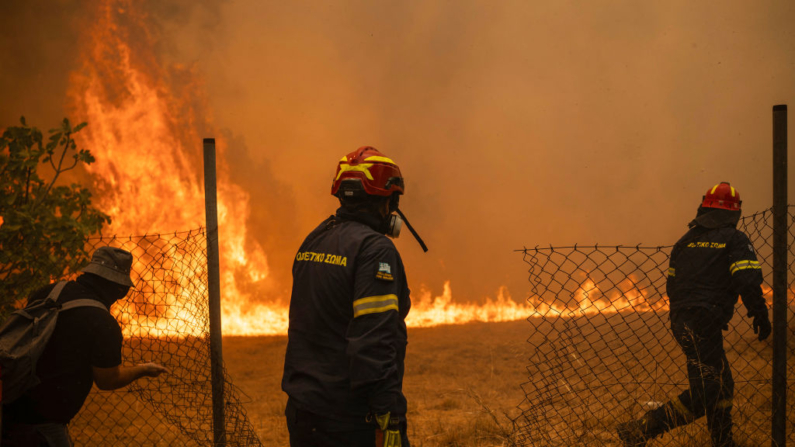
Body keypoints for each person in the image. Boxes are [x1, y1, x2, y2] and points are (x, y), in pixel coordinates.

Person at [282, 146, 424, 447]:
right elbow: (373, 344)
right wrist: (389, 419)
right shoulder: (375, 250)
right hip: (349, 421)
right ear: (386, 200)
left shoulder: (315, 239)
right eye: (393, 200)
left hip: (303, 413)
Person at [617, 182, 772, 447]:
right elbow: (746, 280)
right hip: (705, 322)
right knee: (707, 391)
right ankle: (642, 429)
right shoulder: (735, 239)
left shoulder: (684, 241)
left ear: (704, 207)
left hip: (682, 321)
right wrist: (759, 312)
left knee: (722, 384)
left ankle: (723, 442)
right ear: (734, 213)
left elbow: (671, 287)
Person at [2, 246, 169, 447]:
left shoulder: (48, 292)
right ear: (118, 287)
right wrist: (143, 369)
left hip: (8, 411)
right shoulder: (102, 323)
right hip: (42, 428)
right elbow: (107, 380)